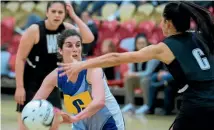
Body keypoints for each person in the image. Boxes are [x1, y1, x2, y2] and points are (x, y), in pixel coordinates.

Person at [58, 2, 214, 130]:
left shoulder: (164, 47)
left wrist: (83, 65)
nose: (160, 24)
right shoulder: (201, 36)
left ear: (169, 23)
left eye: (162, 20)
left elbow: (115, 57)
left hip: (196, 103)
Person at [14, 1, 94, 130]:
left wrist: (73, 15)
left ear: (64, 14)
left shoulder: (66, 29)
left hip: (52, 84)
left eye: (60, 12)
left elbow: (89, 38)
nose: (57, 15)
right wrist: (19, 87)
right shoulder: (35, 30)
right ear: (47, 13)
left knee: (53, 125)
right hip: (32, 85)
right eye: (53, 12)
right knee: (26, 126)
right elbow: (20, 58)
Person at [33, 29, 125, 130]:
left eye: (78, 45)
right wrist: (51, 113)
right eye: (69, 45)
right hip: (81, 124)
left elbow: (99, 102)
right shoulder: (54, 76)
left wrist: (75, 118)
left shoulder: (93, 69)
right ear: (60, 50)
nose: (75, 49)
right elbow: (34, 105)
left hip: (108, 122)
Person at [121, 34, 161, 114]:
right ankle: (130, 104)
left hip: (153, 79)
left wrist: (133, 74)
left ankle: (146, 105)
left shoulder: (152, 55)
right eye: (139, 43)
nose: (141, 45)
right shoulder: (133, 54)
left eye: (143, 43)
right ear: (136, 44)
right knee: (129, 79)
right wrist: (129, 73)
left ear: (147, 43)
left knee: (144, 79)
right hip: (141, 78)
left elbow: (148, 73)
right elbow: (131, 70)